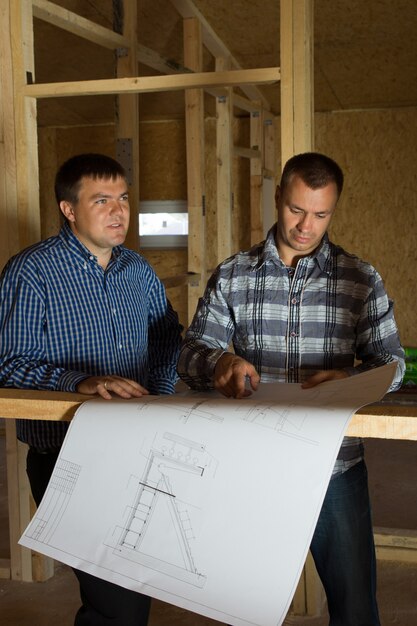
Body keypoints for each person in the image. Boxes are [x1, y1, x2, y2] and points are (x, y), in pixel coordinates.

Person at [177, 152, 405, 626]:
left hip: (334, 469)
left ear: (333, 210)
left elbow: (393, 363)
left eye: (321, 214)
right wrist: (220, 360)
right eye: (296, 209)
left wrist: (353, 379)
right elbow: (190, 353)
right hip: (252, 465)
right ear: (278, 197)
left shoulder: (360, 280)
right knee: (246, 606)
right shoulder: (234, 275)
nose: (306, 225)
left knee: (356, 608)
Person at [0, 153, 183, 626]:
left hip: (139, 448)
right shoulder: (31, 272)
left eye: (123, 198)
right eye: (101, 200)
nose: (119, 211)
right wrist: (80, 382)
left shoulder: (137, 270)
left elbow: (167, 337)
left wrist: (158, 395)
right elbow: (7, 366)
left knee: (131, 593)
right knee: (116, 601)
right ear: (69, 209)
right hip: (68, 457)